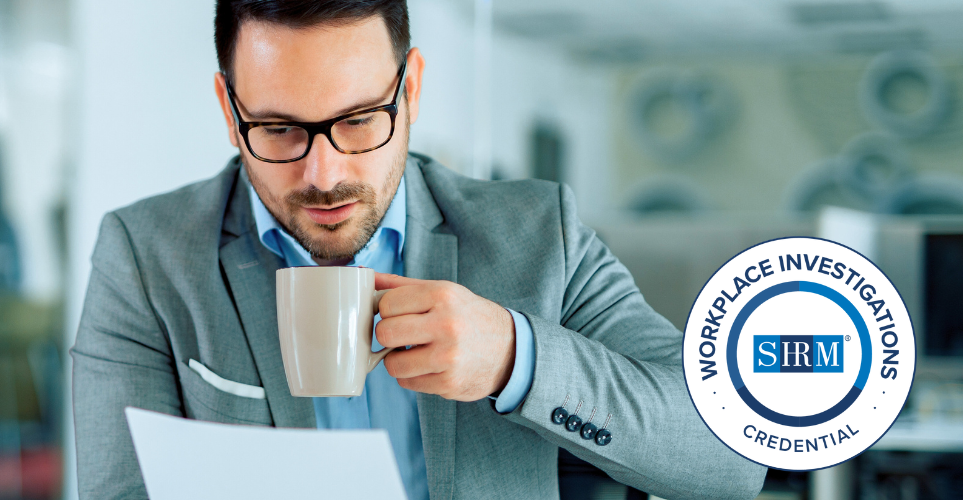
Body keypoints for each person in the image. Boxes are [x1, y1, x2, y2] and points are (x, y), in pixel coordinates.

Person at [71, 1, 766, 499]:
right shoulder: (147, 256)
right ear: (230, 112)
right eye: (279, 129)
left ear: (413, 92)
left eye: (360, 120)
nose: (324, 174)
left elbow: (730, 457)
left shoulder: (536, 235)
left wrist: (515, 361)